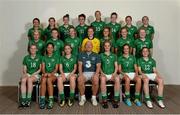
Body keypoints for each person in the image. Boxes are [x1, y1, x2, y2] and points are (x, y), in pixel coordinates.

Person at [78, 41, 101, 106]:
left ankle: (93, 98)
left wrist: (96, 74)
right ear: (85, 47)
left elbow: (98, 66)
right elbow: (79, 66)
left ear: (92, 46)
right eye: (87, 45)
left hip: (93, 72)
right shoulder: (81, 54)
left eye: (90, 45)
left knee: (96, 80)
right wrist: (81, 74)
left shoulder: (96, 55)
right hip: (84, 72)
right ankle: (83, 97)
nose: (88, 46)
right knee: (80, 79)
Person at [100, 41, 120, 109]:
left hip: (112, 74)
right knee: (102, 79)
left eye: (108, 46)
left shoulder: (114, 55)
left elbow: (116, 66)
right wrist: (102, 74)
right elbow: (99, 67)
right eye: (105, 46)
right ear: (104, 47)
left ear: (110, 47)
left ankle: (116, 99)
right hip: (104, 74)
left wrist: (114, 74)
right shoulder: (101, 55)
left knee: (117, 79)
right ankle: (104, 100)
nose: (107, 47)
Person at [39, 43, 59, 109]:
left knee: (48, 79)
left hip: (54, 74)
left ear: (53, 49)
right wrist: (45, 73)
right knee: (43, 79)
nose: (49, 49)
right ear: (46, 49)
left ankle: (51, 100)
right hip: (46, 73)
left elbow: (56, 69)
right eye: (48, 47)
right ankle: (42, 99)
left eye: (51, 47)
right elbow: (43, 68)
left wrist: (51, 74)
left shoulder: (56, 57)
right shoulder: (43, 57)